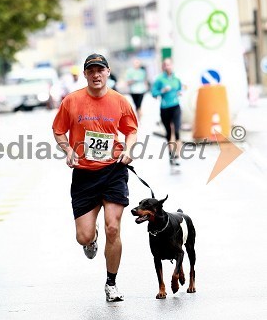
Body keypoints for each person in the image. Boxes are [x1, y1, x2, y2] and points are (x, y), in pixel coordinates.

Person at [52, 53, 138, 302]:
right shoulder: (72, 101)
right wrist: (68, 150)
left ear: (108, 72)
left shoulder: (120, 102)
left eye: (100, 70)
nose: (96, 75)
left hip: (113, 171)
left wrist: (130, 150)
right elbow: (58, 131)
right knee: (84, 237)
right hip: (84, 175)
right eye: (91, 71)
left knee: (114, 227)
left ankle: (111, 283)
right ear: (85, 74)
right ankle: (92, 238)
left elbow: (131, 131)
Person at [151, 58, 182, 167]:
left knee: (177, 130)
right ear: (163, 67)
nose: (168, 67)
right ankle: (171, 154)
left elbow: (180, 88)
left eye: (169, 64)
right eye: (166, 65)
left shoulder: (176, 78)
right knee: (169, 132)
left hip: (176, 107)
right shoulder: (159, 79)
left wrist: (180, 92)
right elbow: (153, 94)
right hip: (165, 108)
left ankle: (177, 155)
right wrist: (162, 91)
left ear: (172, 65)